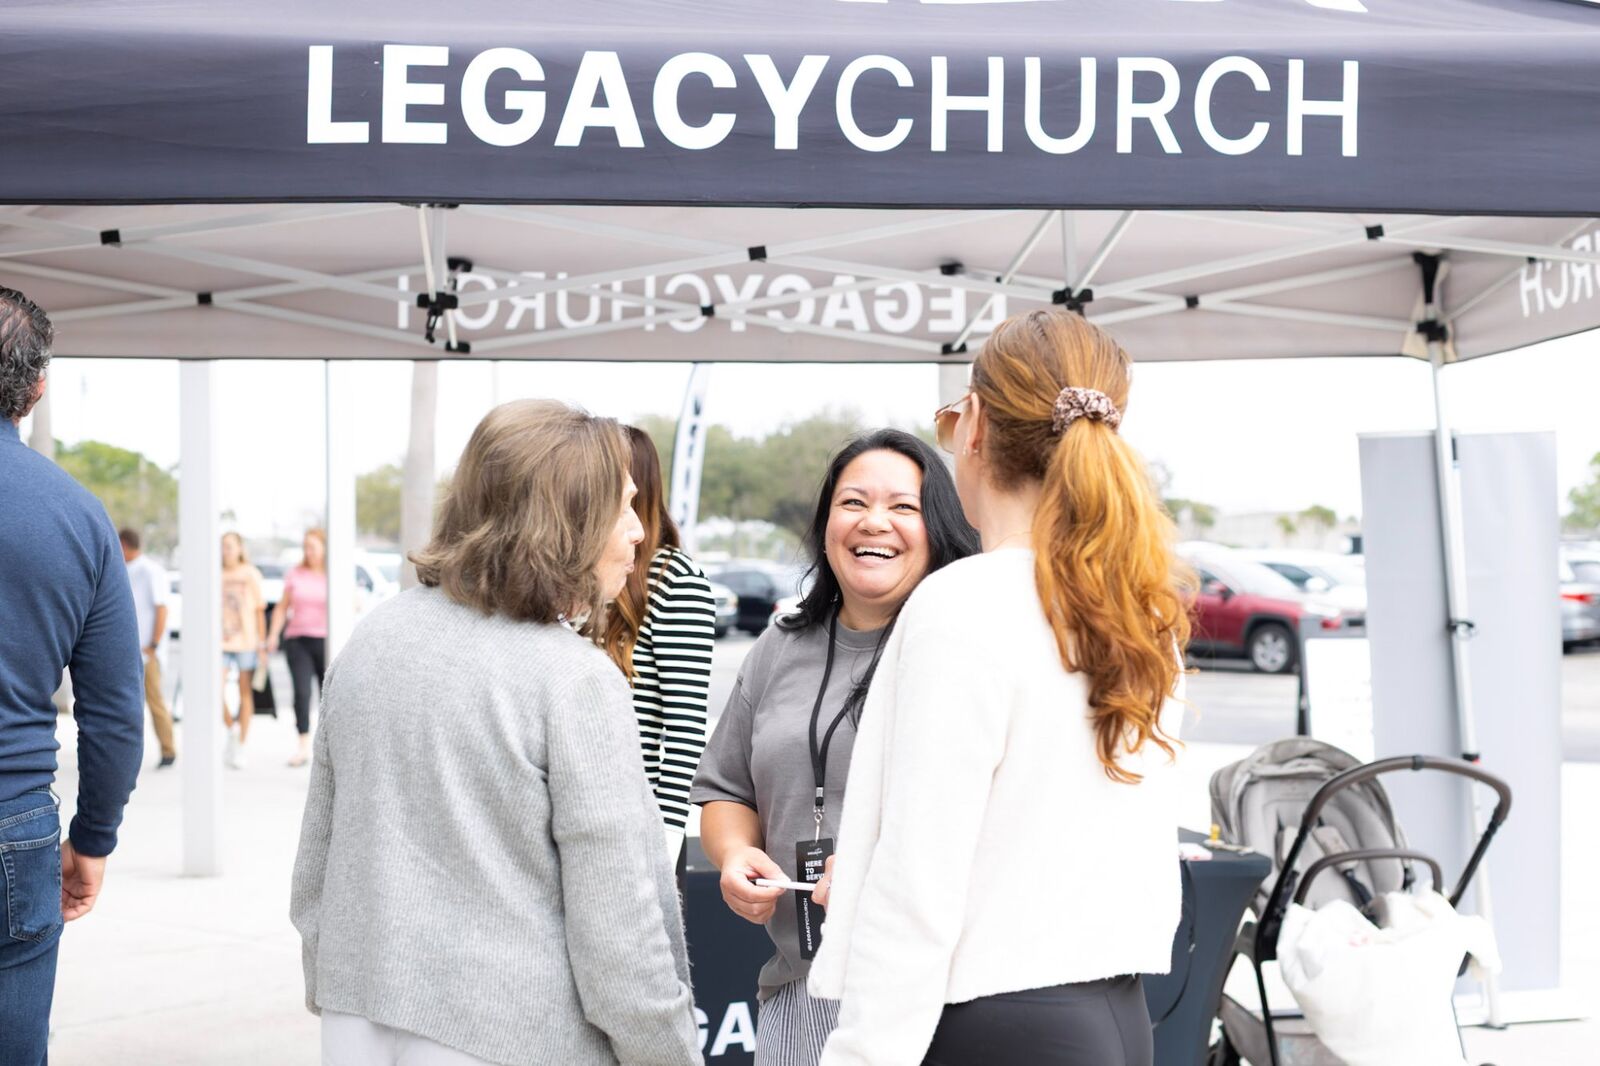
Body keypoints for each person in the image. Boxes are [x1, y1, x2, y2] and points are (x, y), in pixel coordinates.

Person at [807, 309, 1194, 1066]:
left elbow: (917, 890)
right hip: (1117, 1016)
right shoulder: (1142, 607)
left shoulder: (965, 604)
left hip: (993, 1023)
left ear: (975, 422)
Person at [291, 400, 702, 1066]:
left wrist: (338, 986)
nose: (638, 533)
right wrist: (670, 1054)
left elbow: (318, 865)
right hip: (514, 1033)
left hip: (360, 1019)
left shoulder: (375, 638)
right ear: (568, 519)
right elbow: (620, 936)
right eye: (621, 509)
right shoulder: (572, 680)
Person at [692, 429, 980, 1066]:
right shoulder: (781, 646)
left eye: (903, 507)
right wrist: (737, 853)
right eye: (853, 502)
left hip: (934, 997)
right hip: (801, 986)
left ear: (939, 527)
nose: (873, 521)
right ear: (826, 524)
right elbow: (725, 788)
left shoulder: (961, 649)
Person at [0, 287, 144, 1063]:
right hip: (9, 822)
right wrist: (93, 839)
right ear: (37, 386)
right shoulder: (78, 516)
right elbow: (116, 712)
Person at [601, 426, 716, 866]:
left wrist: (666, 843)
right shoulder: (579, 578)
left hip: (638, 834)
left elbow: (685, 730)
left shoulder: (675, 578)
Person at [266, 528, 328, 768]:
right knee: (302, 693)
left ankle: (327, 746)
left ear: (324, 548)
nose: (308, 552)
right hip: (298, 640)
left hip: (326, 640)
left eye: (312, 546)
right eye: (305, 547)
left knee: (329, 695)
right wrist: (273, 635)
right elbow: (282, 608)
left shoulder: (333, 574)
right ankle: (303, 745)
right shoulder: (295, 574)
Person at [120, 529, 175, 769]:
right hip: (127, 650)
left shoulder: (151, 571)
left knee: (155, 701)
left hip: (147, 651)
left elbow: (161, 608)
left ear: (124, 544)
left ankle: (168, 750)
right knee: (126, 705)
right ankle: (128, 755)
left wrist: (153, 644)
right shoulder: (123, 569)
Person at [219, 531, 266, 769]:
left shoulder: (250, 574)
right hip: (220, 641)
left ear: (239, 548)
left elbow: (259, 609)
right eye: (223, 546)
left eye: (230, 546)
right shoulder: (215, 573)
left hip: (246, 640)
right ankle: (231, 729)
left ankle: (241, 744)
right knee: (215, 689)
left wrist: (262, 643)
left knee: (245, 691)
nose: (226, 550)